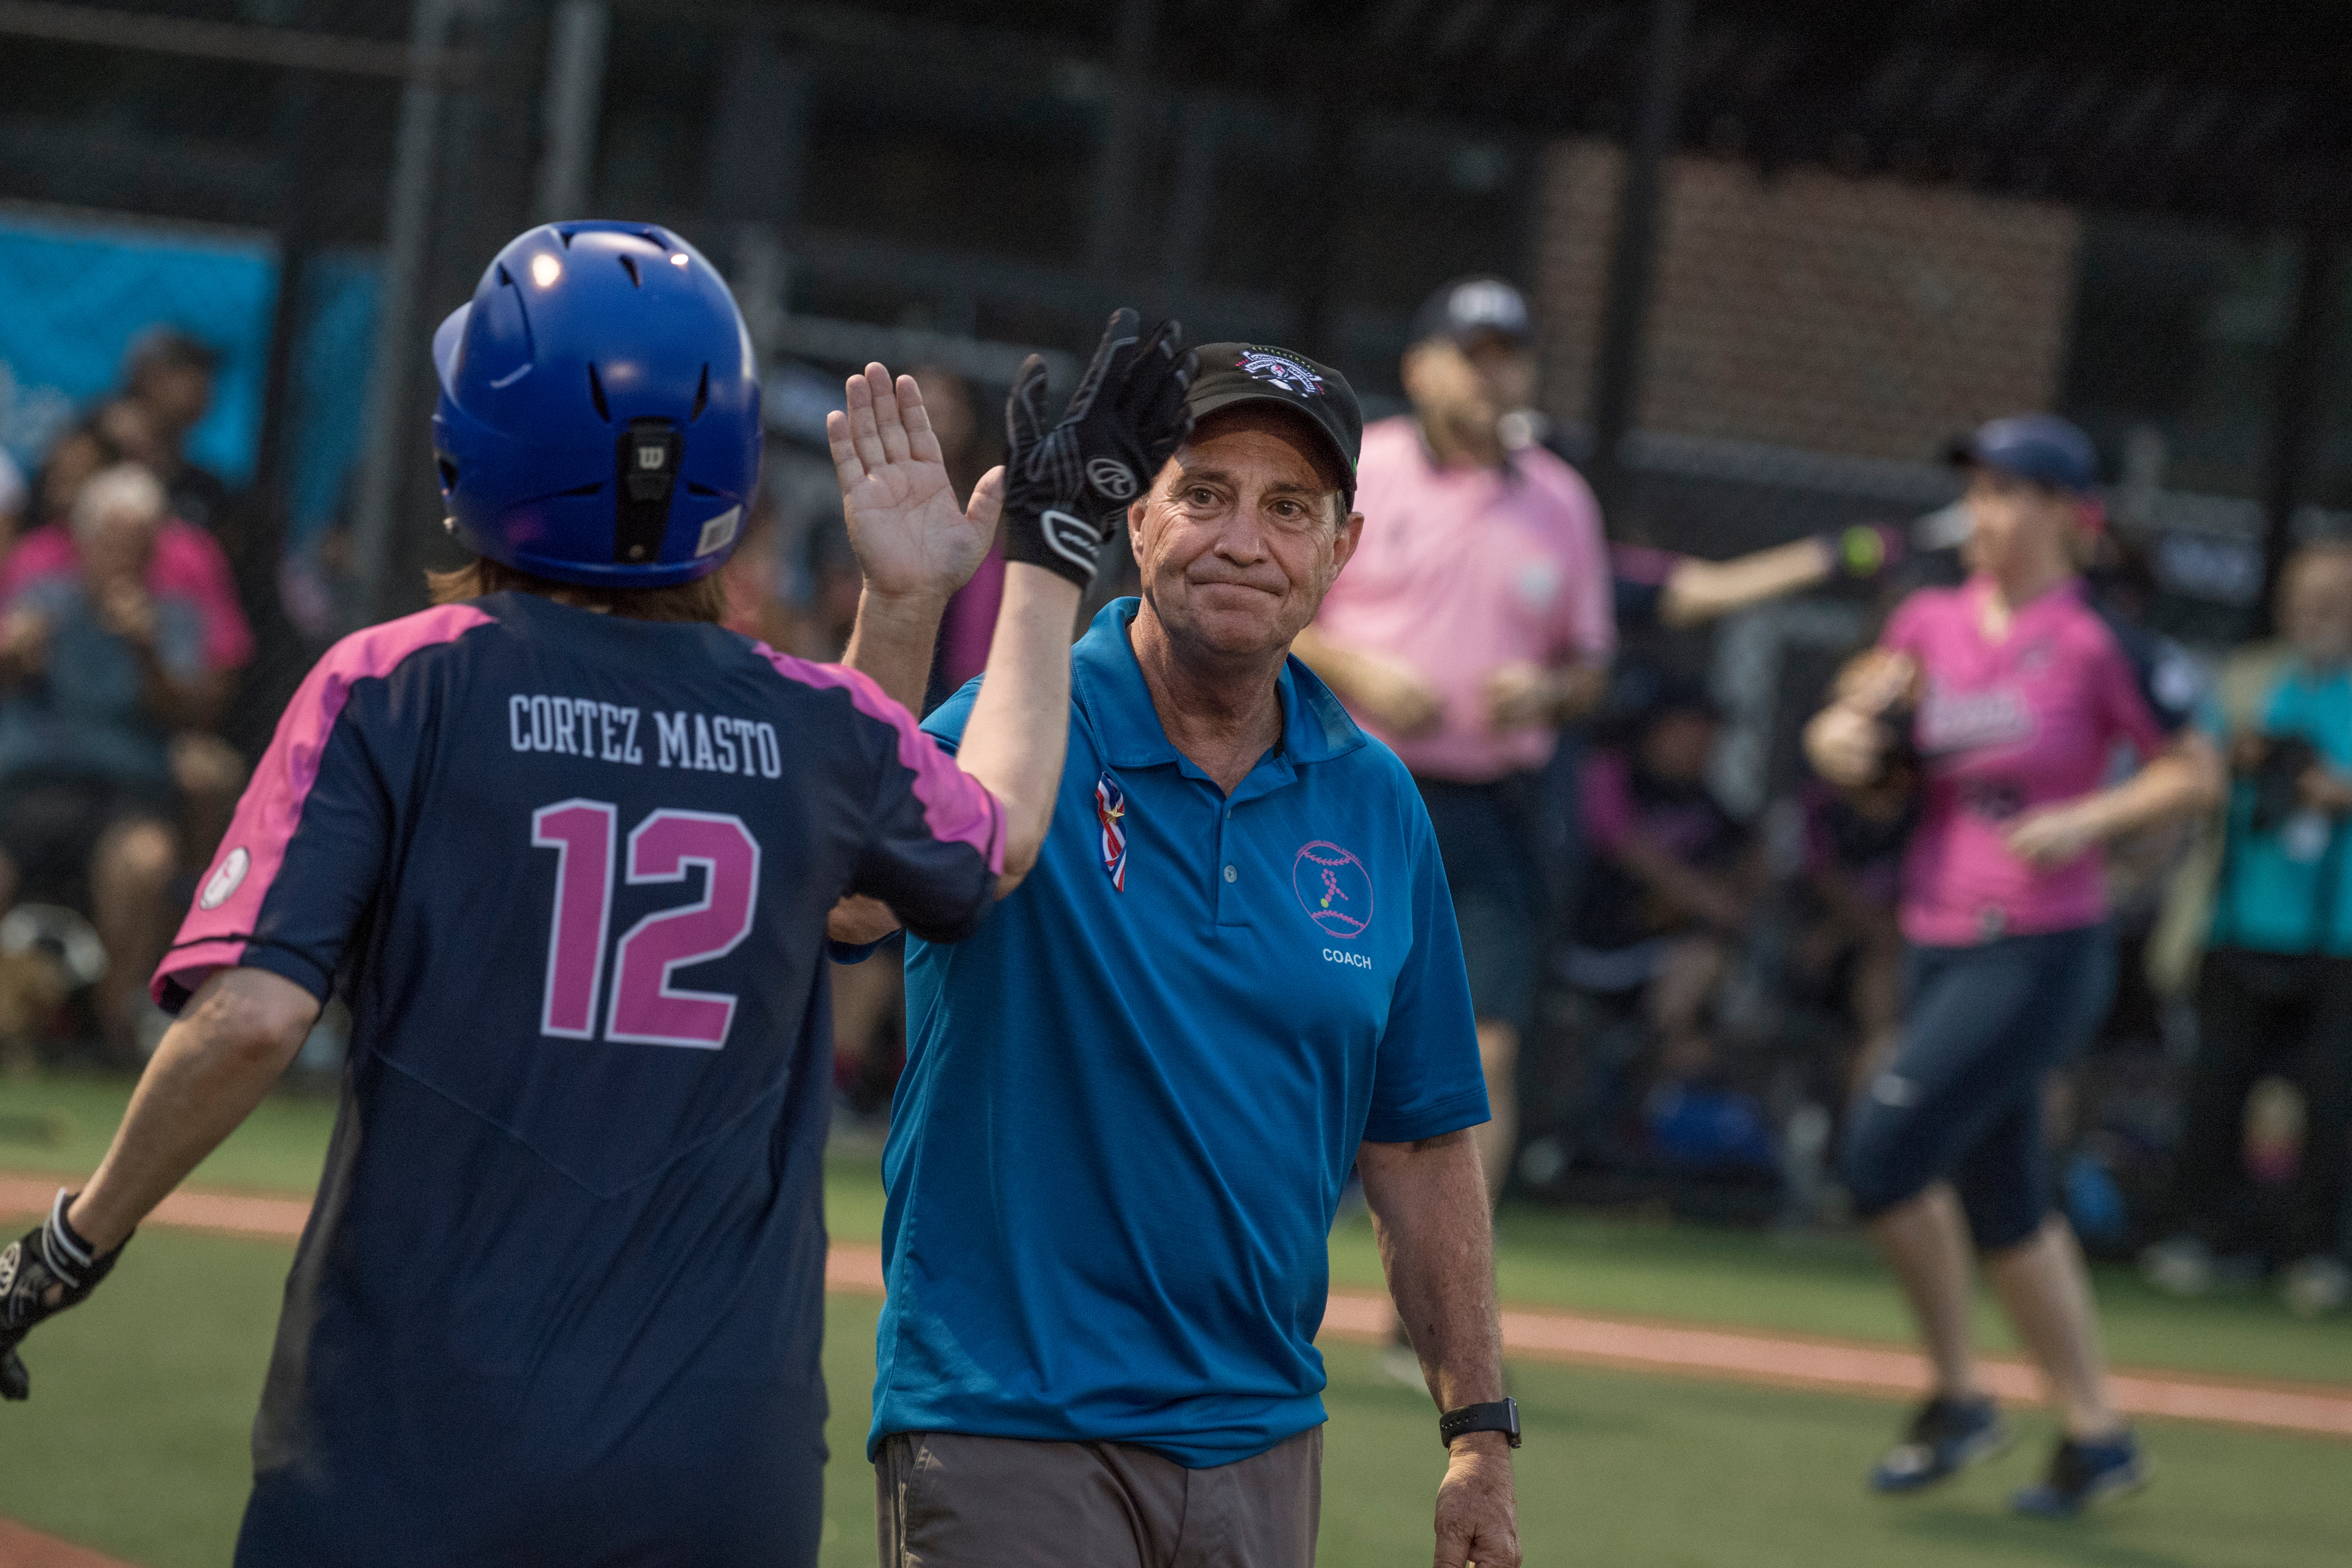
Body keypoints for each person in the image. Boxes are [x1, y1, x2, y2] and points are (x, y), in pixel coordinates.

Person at [0, 222, 1164, 1568]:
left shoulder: (396, 681)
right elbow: (991, 835)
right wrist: (1046, 551)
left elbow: (253, 1021)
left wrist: (70, 1245)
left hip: (403, 1447)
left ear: (469, 455)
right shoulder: (801, 721)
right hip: (716, 1469)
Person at [832, 341, 1519, 1568]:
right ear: (1133, 515)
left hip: (1260, 1444)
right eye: (1204, 494)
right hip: (1008, 1425)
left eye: (1289, 509)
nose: (1244, 540)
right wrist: (899, 609)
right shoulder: (1024, 717)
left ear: (1341, 551)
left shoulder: (1375, 801)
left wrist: (1478, 1434)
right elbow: (845, 903)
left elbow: (1418, 1145)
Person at [1804, 413, 2221, 1516]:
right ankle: (2097, 1434)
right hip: (1939, 932)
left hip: (2039, 944)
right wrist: (1838, 737)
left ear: (2068, 516)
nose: (1983, 512)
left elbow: (2195, 771)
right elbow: (1857, 721)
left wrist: (2091, 815)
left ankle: (1958, 1397)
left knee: (1885, 1150)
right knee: (2005, 1198)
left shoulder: (2098, 639)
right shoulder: (1931, 620)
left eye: (2009, 492)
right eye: (1978, 490)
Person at [1294, 276, 1614, 1203]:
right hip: (1346, 784)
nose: (1489, 378)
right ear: (1417, 367)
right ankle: (1258, 1275)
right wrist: (1365, 675)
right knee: (1316, 1023)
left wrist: (1550, 692)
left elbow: (1589, 667)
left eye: (1505, 357)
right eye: (1469, 357)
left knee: (1486, 1050)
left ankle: (1433, 1309)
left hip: (1488, 810)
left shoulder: (1560, 500)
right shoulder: (1358, 466)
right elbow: (1276, 615)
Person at [2141, 541, 2352, 1317]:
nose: (2314, 615)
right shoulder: (2249, 682)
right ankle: (2198, 1235)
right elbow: (2192, 768)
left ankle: (2316, 1252)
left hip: (2339, 939)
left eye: (2333, 601)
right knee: (2214, 1092)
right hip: (2239, 923)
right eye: (2304, 598)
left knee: (2331, 1106)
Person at [0, 463, 224, 1056]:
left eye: (138, 545)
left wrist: (147, 651)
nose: (123, 557)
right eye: (111, 541)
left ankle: (111, 1030)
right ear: (85, 542)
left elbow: (189, 713)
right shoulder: (41, 601)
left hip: (124, 794)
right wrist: (15, 654)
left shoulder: (171, 617)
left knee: (145, 862)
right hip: (29, 789)